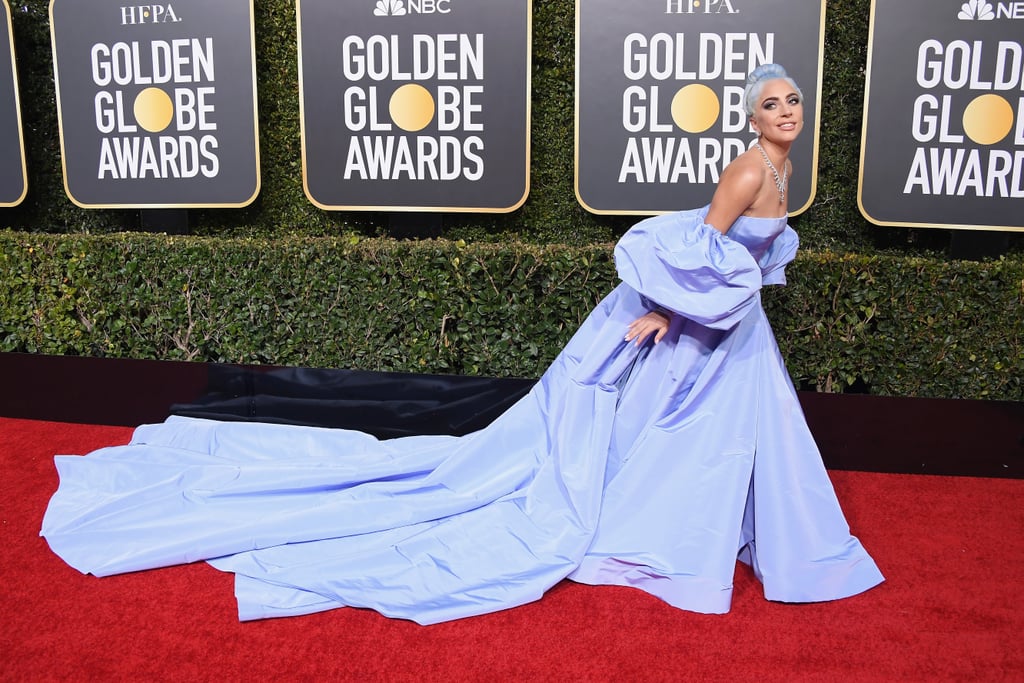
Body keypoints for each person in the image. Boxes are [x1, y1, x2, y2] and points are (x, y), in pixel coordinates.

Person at [41, 64, 883, 625]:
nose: (787, 113)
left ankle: (744, 534)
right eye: (772, 103)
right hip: (695, 329)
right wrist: (664, 312)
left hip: (738, 337)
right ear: (749, 116)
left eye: (794, 103)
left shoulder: (787, 170)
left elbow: (748, 259)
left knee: (738, 440)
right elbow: (700, 245)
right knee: (675, 446)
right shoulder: (746, 171)